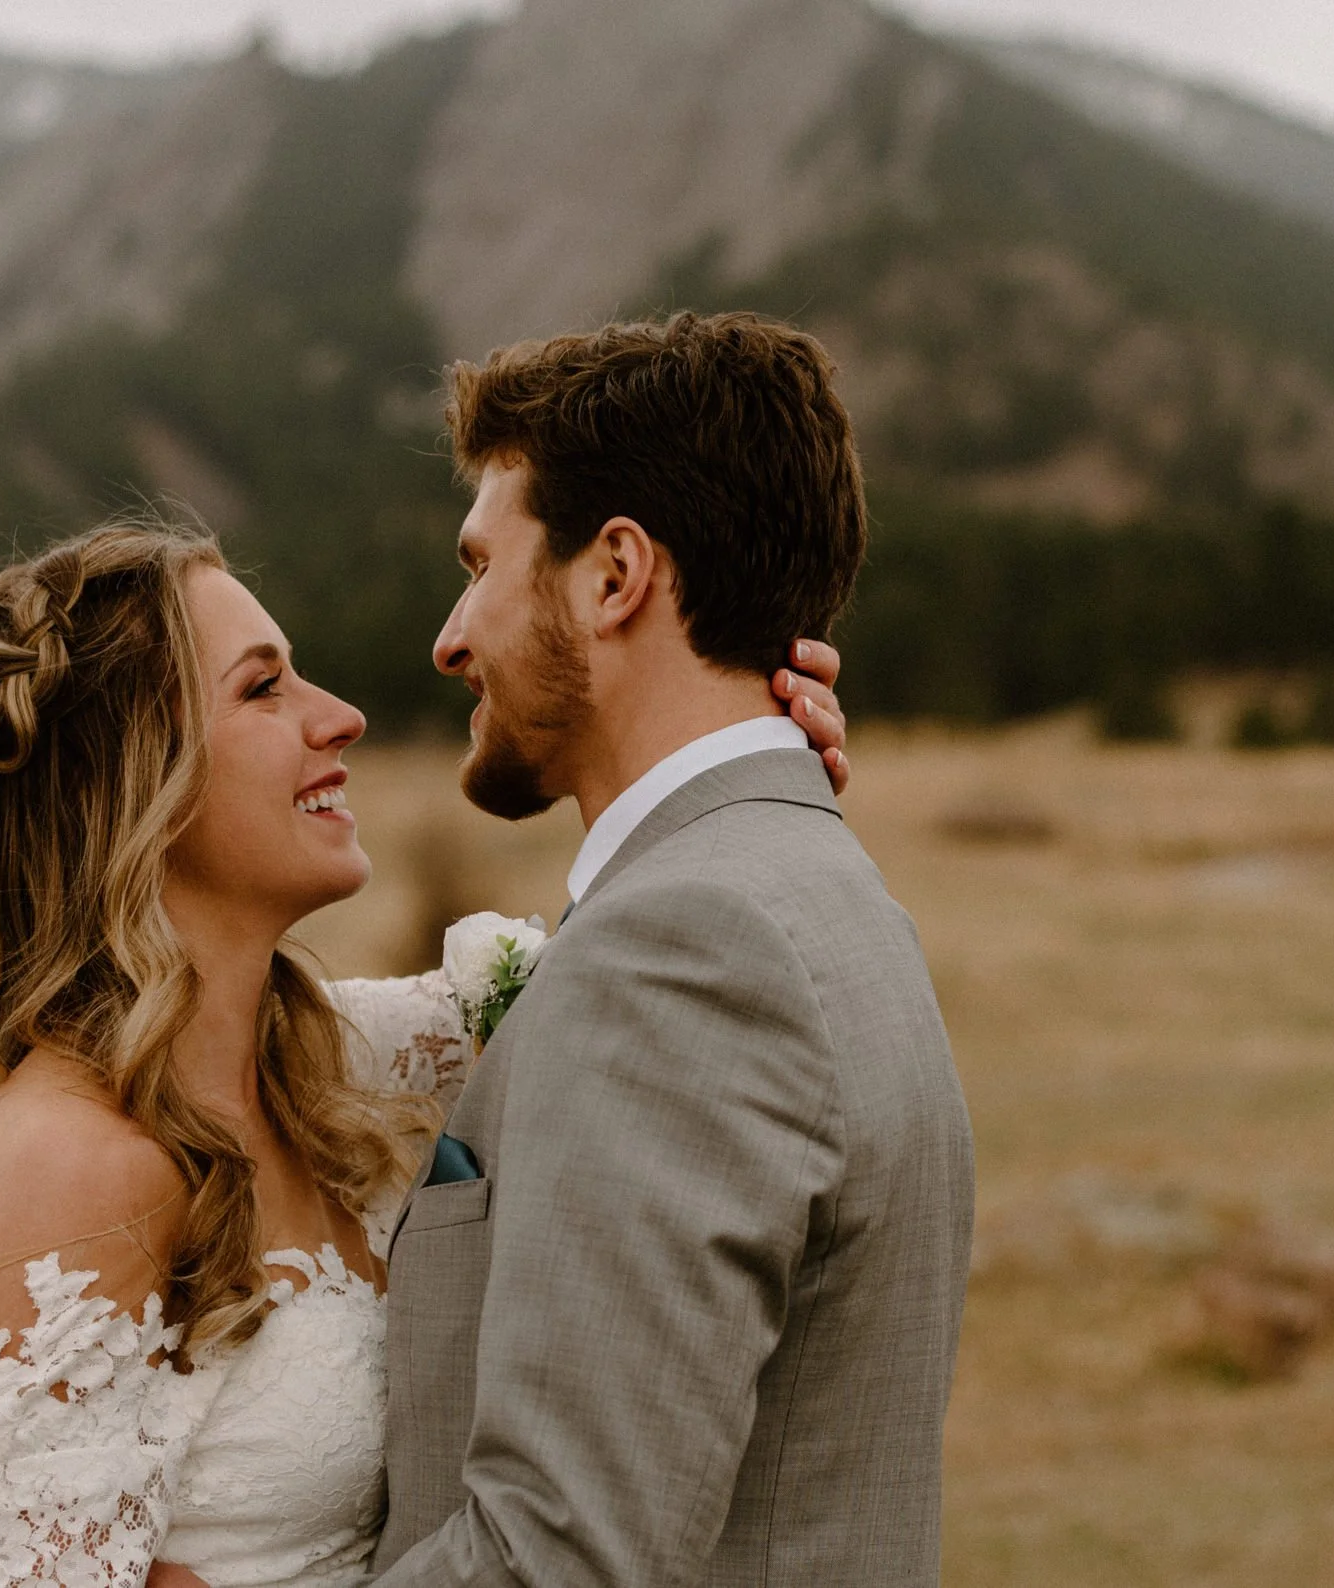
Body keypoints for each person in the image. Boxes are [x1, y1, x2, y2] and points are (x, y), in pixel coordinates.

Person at [0, 511, 854, 1587]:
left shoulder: (337, 1065)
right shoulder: (66, 1164)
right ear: (136, 780)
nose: (341, 717)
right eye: (263, 687)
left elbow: (637, 990)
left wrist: (736, 764)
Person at [372, 312, 974, 1587]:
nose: (449, 635)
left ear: (614, 575)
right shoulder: (814, 885)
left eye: (480, 565)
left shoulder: (681, 948)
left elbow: (556, 1554)